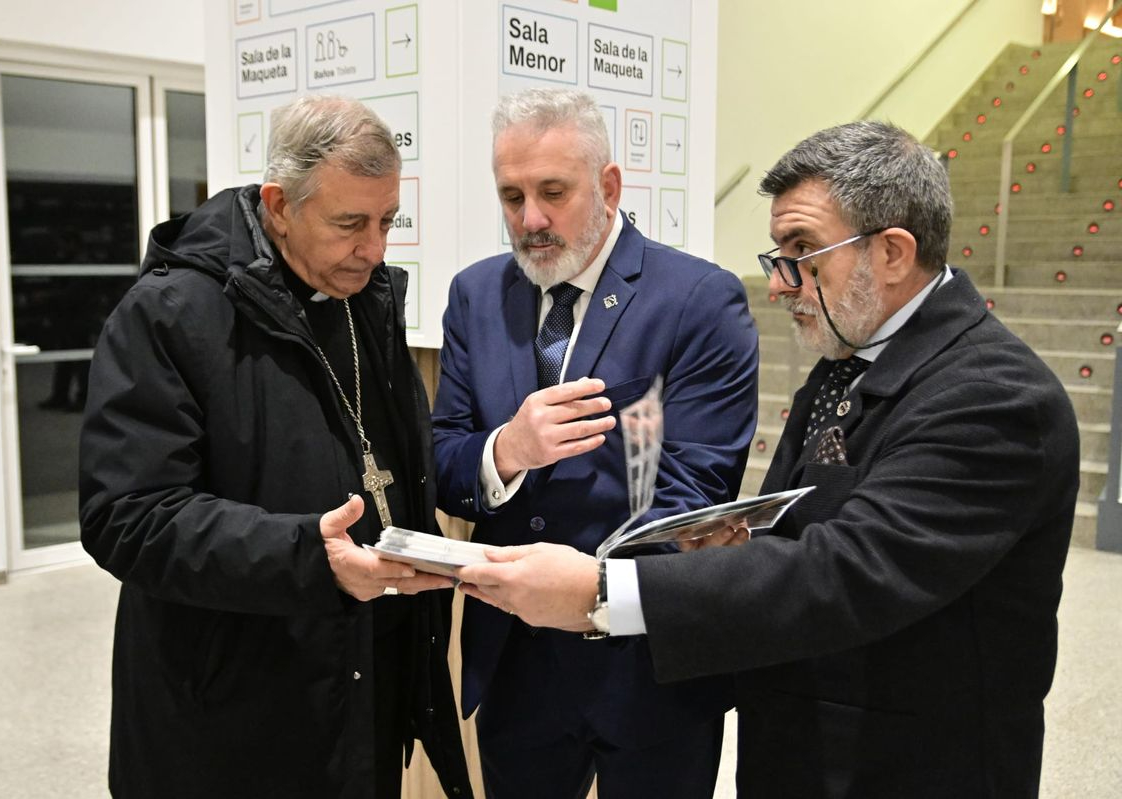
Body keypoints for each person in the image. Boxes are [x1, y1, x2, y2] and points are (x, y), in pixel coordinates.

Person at [456, 120, 1079, 798]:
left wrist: (603, 591)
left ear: (893, 253)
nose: (779, 285)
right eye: (777, 254)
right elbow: (808, 525)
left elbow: (848, 569)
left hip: (906, 765)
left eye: (803, 251)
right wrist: (738, 541)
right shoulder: (854, 360)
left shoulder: (992, 397)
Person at [79, 95, 472, 799]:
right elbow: (127, 517)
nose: (375, 249)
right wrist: (308, 557)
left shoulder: (365, 299)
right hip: (230, 711)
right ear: (279, 206)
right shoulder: (170, 314)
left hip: (360, 686)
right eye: (350, 223)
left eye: (387, 221)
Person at [431, 87, 760, 798]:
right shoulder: (476, 295)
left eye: (553, 192)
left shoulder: (698, 298)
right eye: (512, 196)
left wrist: (591, 590)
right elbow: (444, 460)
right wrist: (506, 451)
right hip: (516, 661)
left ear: (608, 186)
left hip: (649, 663)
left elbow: (696, 491)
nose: (531, 218)